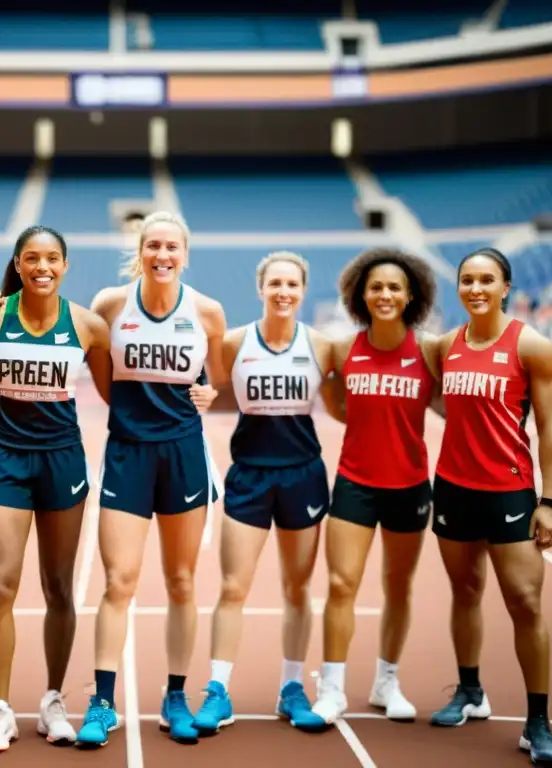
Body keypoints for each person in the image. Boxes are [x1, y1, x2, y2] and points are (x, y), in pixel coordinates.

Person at [74, 210, 228, 748]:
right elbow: (101, 375)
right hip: (127, 454)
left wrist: (209, 394)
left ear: (185, 254)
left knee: (182, 581)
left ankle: (176, 695)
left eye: (172, 247)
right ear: (139, 251)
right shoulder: (110, 305)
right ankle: (100, 702)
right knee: (119, 581)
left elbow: (217, 381)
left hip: (184, 454)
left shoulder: (207, 312)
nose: (162, 255)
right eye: (153, 246)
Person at [0, 225, 113, 753]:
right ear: (19, 264)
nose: (42, 266)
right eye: (32, 258)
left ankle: (53, 701)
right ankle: (1, 709)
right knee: (1, 584)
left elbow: (119, 394)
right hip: (5, 458)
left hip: (62, 459)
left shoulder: (89, 326)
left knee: (58, 586)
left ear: (65, 266)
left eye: (52, 258)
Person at [190, 252, 344, 735]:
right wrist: (204, 398)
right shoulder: (235, 343)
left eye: (292, 284)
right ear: (261, 289)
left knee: (298, 588)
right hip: (250, 474)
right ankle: (217, 690)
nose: (283, 292)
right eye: (274, 283)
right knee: (233, 588)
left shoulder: (321, 346)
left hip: (302, 475)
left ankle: (292, 688)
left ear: (302, 290)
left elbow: (342, 409)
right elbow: (214, 390)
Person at [429, 247, 552, 766]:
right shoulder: (446, 344)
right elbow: (444, 400)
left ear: (505, 286)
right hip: (453, 489)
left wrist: (548, 502)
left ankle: (538, 722)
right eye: (467, 280)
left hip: (509, 493)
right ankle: (469, 691)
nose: (476, 288)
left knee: (525, 604)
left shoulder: (532, 346)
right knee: (465, 590)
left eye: (487, 279)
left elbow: (551, 431)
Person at [306, 248, 442, 728]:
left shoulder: (429, 352)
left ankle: (387, 682)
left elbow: (451, 407)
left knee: (398, 586)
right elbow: (338, 408)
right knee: (341, 584)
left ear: (411, 296)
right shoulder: (343, 351)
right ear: (361, 294)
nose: (384, 295)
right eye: (376, 287)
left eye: (394, 288)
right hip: (354, 482)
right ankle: (332, 688)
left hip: (409, 485)